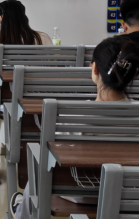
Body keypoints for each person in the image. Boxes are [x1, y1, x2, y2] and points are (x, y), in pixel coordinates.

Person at [10, 37, 138, 219]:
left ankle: (21, 212)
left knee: (39, 165)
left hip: (81, 194)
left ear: (94, 69)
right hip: (130, 195)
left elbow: (53, 161)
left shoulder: (72, 116)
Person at [0, 0, 52, 80]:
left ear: (1, 18)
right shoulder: (43, 38)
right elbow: (53, 67)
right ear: (24, 17)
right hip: (41, 86)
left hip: (10, 87)